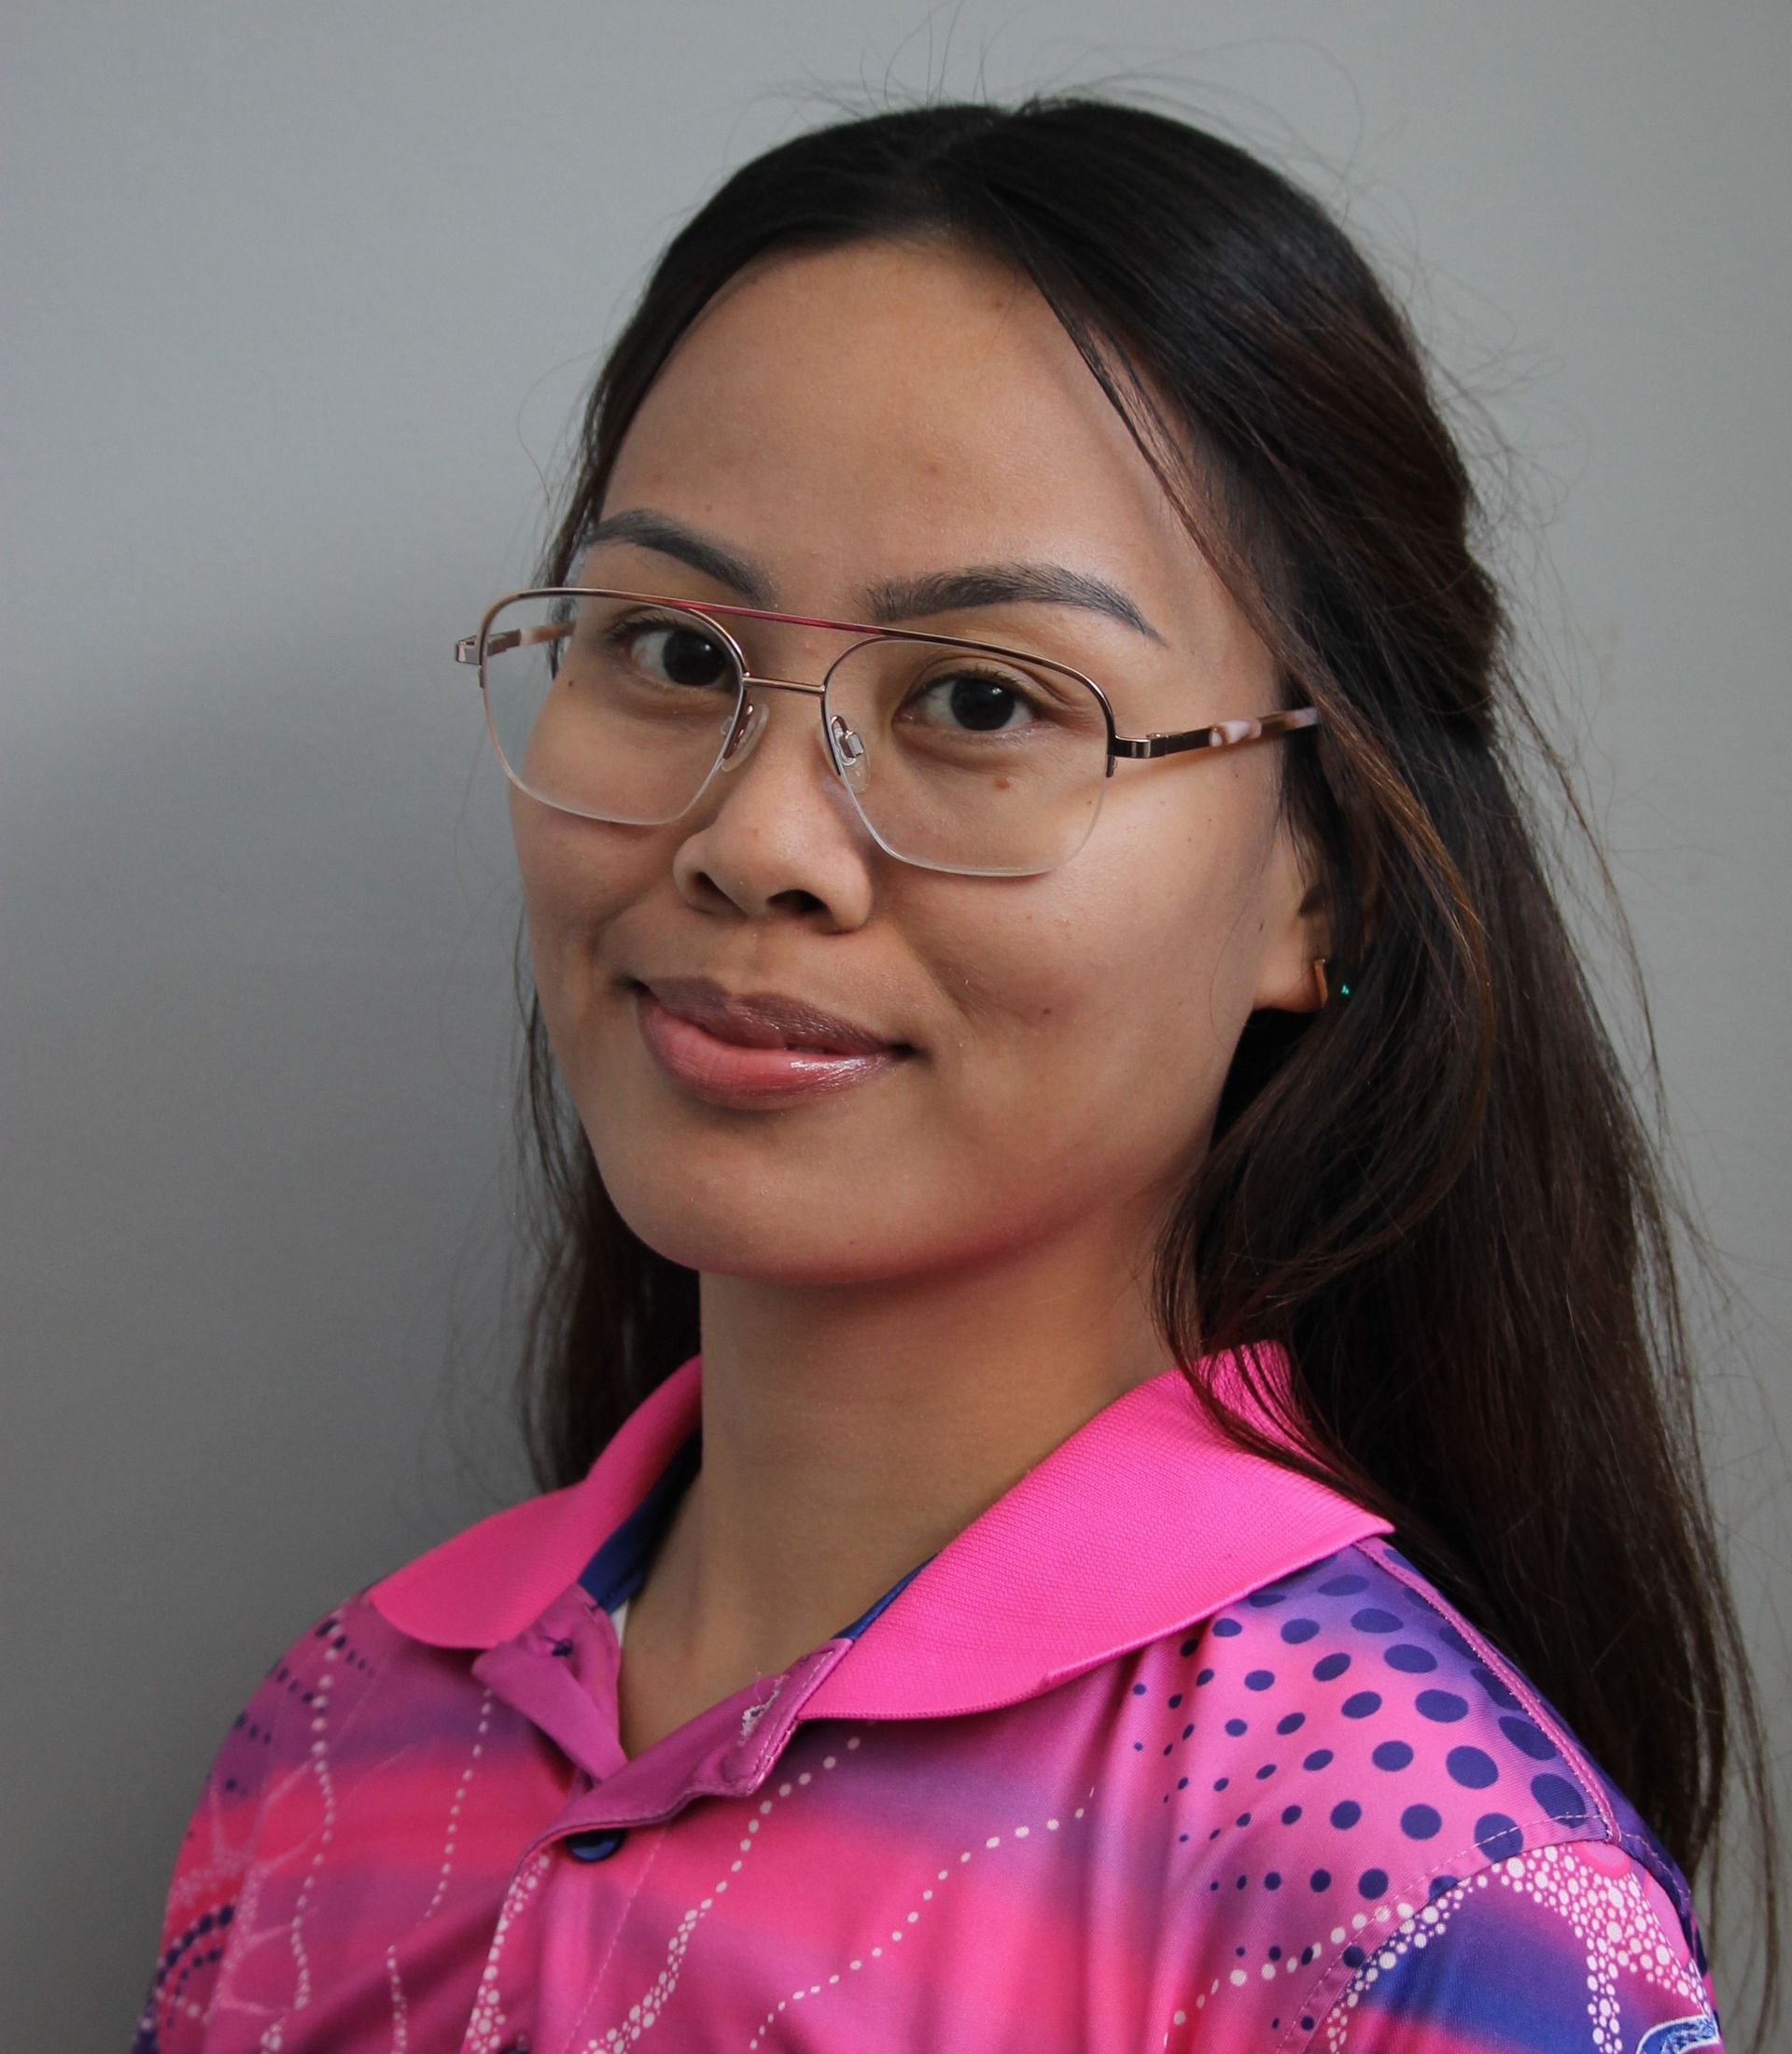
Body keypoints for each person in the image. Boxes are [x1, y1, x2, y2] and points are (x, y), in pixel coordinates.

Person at [133, 95, 1775, 2052]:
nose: (759, 841)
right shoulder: (335, 1739)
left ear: (1320, 881)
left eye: (985, 702)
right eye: (667, 650)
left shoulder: (1422, 1895)